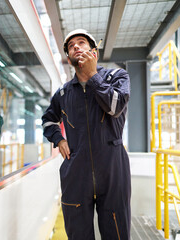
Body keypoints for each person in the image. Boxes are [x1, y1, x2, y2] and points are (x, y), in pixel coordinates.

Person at [42, 29, 131, 239]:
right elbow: (47, 121)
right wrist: (59, 138)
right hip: (76, 172)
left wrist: (93, 76)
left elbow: (115, 107)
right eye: (71, 46)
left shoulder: (117, 76)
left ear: (94, 52)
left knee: (116, 231)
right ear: (68, 57)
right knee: (78, 233)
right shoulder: (63, 93)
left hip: (112, 168)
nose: (75, 47)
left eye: (81, 43)